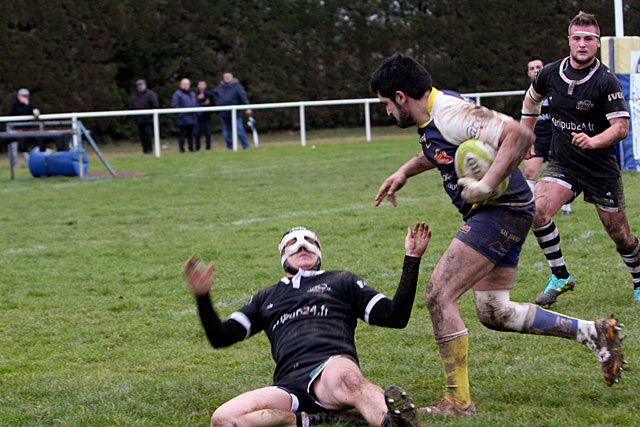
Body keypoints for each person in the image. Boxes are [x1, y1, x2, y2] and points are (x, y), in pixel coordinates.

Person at [370, 53, 626, 417]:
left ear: (399, 96)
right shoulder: (436, 115)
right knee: (494, 311)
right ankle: (594, 332)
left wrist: (488, 183)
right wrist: (404, 173)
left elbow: (520, 135)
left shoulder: (449, 111)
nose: (386, 113)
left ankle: (457, 403)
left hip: (499, 211)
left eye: (385, 104)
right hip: (507, 211)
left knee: (438, 295)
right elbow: (438, 152)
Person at [183, 222, 432, 427]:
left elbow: (395, 317)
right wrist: (202, 298)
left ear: (319, 252)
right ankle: (311, 421)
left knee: (350, 379)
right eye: (292, 243)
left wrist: (412, 259)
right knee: (223, 419)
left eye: (310, 241)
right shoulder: (266, 297)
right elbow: (221, 337)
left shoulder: (342, 281)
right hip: (288, 386)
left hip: (331, 370)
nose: (302, 245)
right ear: (283, 255)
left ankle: (390, 422)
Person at [521, 12, 639, 305]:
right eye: (577, 38)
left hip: (600, 169)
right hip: (564, 164)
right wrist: (526, 136)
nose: (582, 44)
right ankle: (560, 276)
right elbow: (530, 100)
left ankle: (639, 281)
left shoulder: (606, 81)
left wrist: (593, 141)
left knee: (620, 235)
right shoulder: (549, 73)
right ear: (569, 41)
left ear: (597, 43)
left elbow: (621, 127)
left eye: (589, 39)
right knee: (536, 209)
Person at [522, 57, 572, 215]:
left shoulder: (555, 89)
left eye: (538, 67)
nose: (536, 70)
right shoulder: (528, 94)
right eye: (532, 68)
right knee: (529, 171)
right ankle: (529, 207)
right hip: (537, 138)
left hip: (555, 137)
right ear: (528, 73)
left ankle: (566, 207)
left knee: (563, 172)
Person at [212, 72, 252, 150]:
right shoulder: (220, 87)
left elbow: (243, 96)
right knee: (226, 133)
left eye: (228, 76)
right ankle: (230, 147)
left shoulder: (237, 86)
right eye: (225, 77)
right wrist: (218, 102)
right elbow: (214, 94)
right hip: (224, 113)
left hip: (236, 113)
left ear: (232, 77)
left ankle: (246, 146)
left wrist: (248, 107)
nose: (227, 78)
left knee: (239, 130)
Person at [8, 88, 40, 168]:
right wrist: (26, 105)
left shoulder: (29, 104)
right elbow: (16, 114)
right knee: (13, 148)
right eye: (23, 96)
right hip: (15, 130)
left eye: (26, 96)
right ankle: (14, 165)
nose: (25, 98)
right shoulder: (15, 104)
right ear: (19, 96)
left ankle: (29, 164)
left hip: (25, 130)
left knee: (25, 147)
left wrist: (35, 111)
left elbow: (33, 111)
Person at [130, 79, 159, 154]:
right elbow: (133, 106)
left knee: (148, 134)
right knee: (141, 135)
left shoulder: (150, 94)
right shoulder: (136, 95)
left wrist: (150, 115)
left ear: (145, 85)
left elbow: (155, 105)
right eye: (139, 85)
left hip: (148, 119)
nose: (140, 86)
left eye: (141, 85)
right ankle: (145, 150)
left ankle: (149, 150)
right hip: (139, 120)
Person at [171, 78, 198, 153]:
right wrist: (181, 114)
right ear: (181, 85)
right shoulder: (177, 94)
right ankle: (182, 149)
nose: (186, 86)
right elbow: (175, 105)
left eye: (187, 84)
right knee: (182, 135)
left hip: (192, 118)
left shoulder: (192, 94)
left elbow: (196, 104)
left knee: (191, 134)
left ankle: (191, 148)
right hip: (183, 119)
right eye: (184, 84)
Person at [195, 80, 215, 151]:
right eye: (200, 84)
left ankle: (208, 148)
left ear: (205, 86)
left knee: (208, 132)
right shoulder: (194, 94)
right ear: (198, 86)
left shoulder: (209, 94)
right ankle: (197, 148)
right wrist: (197, 99)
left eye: (203, 84)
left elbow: (213, 104)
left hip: (207, 116)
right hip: (197, 116)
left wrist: (209, 103)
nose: (202, 86)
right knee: (197, 133)